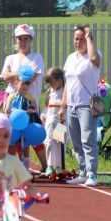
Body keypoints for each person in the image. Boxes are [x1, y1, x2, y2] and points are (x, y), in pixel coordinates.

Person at [59, 25, 101, 187]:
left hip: (89, 104)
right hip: (72, 105)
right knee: (76, 141)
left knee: (88, 140)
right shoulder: (70, 58)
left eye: (82, 39)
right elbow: (68, 84)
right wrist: (63, 106)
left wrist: (89, 38)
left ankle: (92, 174)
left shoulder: (94, 54)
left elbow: (93, 60)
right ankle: (82, 172)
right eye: (76, 39)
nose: (78, 42)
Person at [4, 67, 48, 171]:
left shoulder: (31, 97)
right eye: (23, 83)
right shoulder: (12, 96)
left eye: (28, 83)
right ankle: (12, 167)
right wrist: (12, 112)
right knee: (13, 144)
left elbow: (34, 108)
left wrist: (31, 111)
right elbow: (7, 109)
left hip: (29, 124)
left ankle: (26, 168)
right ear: (16, 83)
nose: (25, 86)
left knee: (26, 146)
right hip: (15, 125)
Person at [1, 24, 45, 107]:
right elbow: (6, 77)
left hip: (30, 101)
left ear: (30, 40)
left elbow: (32, 77)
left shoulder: (37, 57)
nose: (23, 42)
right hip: (11, 99)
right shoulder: (10, 58)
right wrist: (24, 74)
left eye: (26, 39)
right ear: (16, 40)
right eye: (20, 39)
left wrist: (14, 75)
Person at [41, 67, 66, 176]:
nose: (50, 85)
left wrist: (62, 107)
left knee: (59, 142)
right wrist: (43, 114)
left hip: (60, 121)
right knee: (49, 142)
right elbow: (47, 106)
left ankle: (59, 167)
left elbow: (66, 105)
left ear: (59, 80)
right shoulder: (50, 91)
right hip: (50, 121)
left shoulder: (64, 92)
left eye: (52, 82)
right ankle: (50, 166)